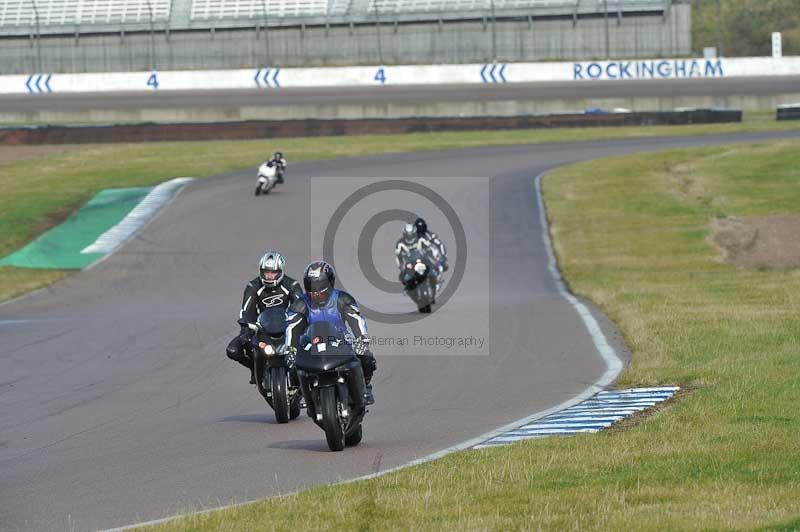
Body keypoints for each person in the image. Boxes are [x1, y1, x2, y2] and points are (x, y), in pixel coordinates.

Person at [284, 261, 377, 405]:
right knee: (291, 364)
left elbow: (357, 320)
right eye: (311, 287)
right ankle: (299, 391)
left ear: (330, 284)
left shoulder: (343, 299)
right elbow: (291, 328)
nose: (315, 293)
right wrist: (290, 349)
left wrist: (362, 339)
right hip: (312, 344)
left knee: (366, 356)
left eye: (320, 288)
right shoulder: (300, 304)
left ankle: (365, 386)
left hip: (341, 341)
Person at [226, 250, 303, 384]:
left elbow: (302, 308)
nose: (269, 276)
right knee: (233, 350)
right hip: (261, 329)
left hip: (287, 327)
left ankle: (303, 374)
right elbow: (246, 311)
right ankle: (255, 368)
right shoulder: (253, 286)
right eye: (266, 272)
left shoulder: (292, 285)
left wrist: (300, 324)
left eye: (273, 272)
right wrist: (246, 329)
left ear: (280, 271)